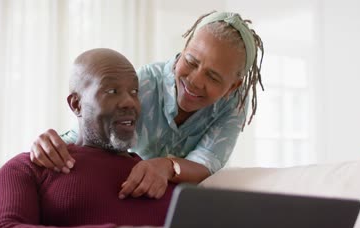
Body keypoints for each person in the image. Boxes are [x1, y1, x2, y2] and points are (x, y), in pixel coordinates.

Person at [31, 11, 264, 200]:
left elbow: (205, 163)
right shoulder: (143, 84)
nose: (195, 81)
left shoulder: (232, 105)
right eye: (191, 62)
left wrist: (166, 167)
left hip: (167, 201)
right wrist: (51, 145)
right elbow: (90, 131)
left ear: (233, 86)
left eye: (213, 77)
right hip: (119, 188)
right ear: (183, 51)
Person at [0, 48, 176, 228]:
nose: (130, 102)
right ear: (76, 104)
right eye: (111, 91)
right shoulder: (29, 167)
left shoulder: (161, 179)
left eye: (134, 91)